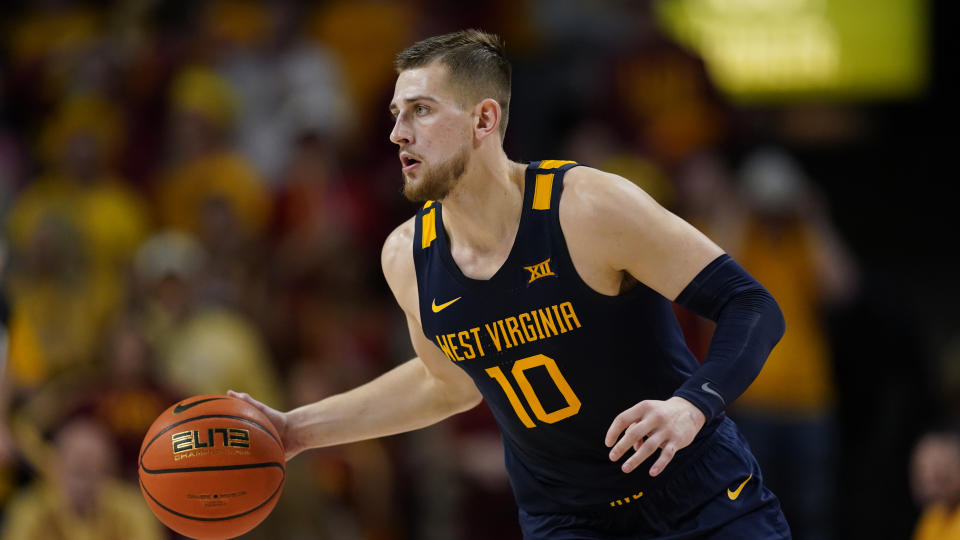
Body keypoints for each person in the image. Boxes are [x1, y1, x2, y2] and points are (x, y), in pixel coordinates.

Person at [231, 30, 790, 539]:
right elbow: (444, 384)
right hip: (568, 519)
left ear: (483, 120)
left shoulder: (586, 206)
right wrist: (294, 430)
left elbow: (751, 304)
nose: (398, 133)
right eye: (397, 114)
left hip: (698, 498)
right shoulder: (407, 256)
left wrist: (692, 406)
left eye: (421, 111)